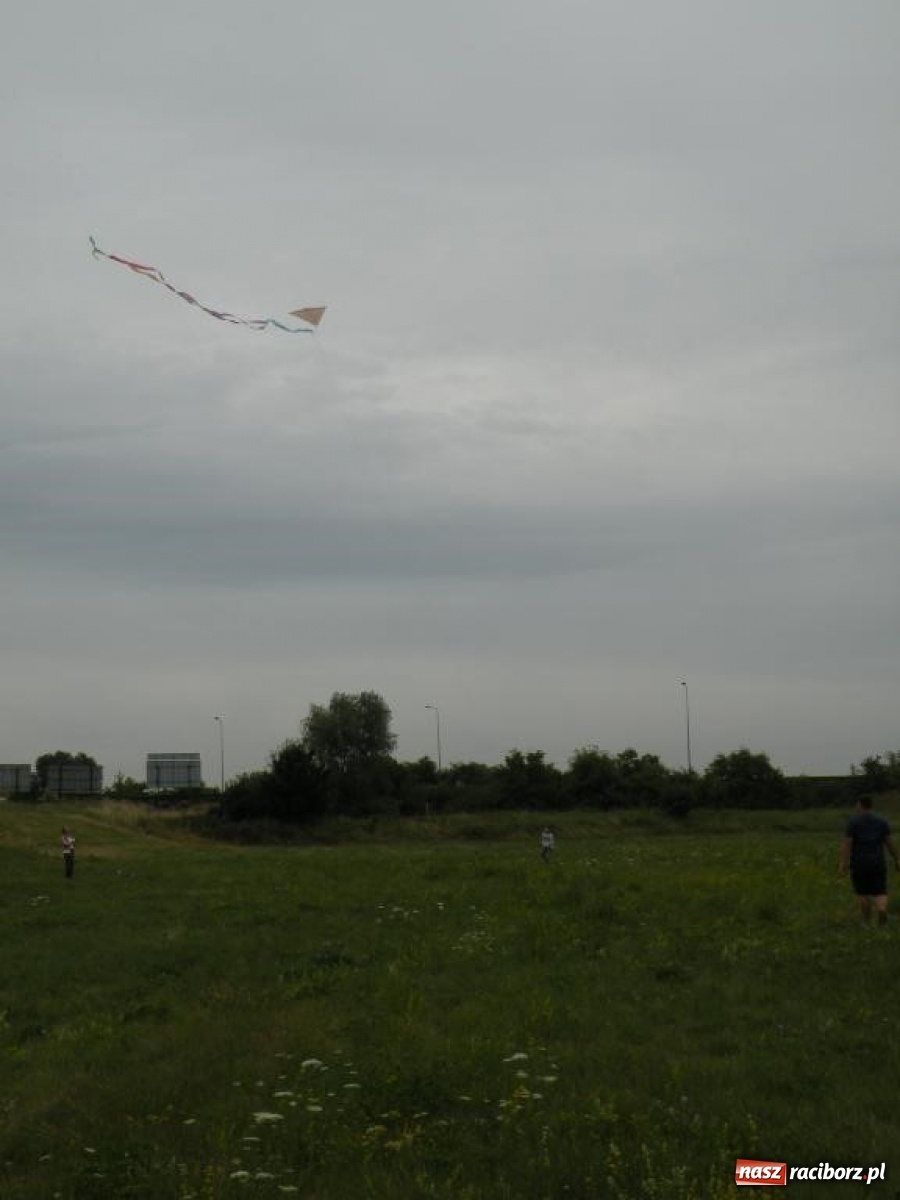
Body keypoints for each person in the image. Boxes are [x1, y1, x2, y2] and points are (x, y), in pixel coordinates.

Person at [839, 797, 898, 925]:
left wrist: (844, 863)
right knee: (880, 890)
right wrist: (897, 859)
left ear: (860, 805)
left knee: (862, 892)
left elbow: (847, 843)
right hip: (878, 861)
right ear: (871, 806)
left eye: (856, 805)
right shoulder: (881, 821)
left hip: (859, 862)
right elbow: (889, 842)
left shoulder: (853, 822)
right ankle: (881, 910)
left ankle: (866, 922)